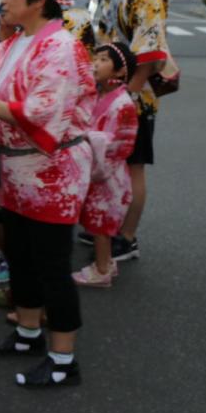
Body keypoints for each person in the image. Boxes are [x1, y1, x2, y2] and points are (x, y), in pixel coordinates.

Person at [0, 0, 94, 389]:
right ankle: (28, 332)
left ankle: (64, 358)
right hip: (16, 167)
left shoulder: (61, 47)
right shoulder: (9, 45)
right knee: (20, 255)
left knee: (52, 263)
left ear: (37, 0)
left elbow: (42, 111)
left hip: (53, 172)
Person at [94, 0, 168, 262]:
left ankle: (127, 236)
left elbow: (150, 53)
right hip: (112, 93)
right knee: (112, 164)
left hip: (134, 95)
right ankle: (108, 227)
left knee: (134, 166)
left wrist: (129, 94)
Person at [74, 42, 138, 287]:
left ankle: (101, 271)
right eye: (96, 58)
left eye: (103, 60)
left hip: (109, 175)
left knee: (101, 224)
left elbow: (121, 145)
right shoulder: (99, 95)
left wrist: (87, 139)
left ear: (120, 71)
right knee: (97, 221)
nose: (96, 64)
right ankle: (107, 263)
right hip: (100, 170)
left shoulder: (123, 104)